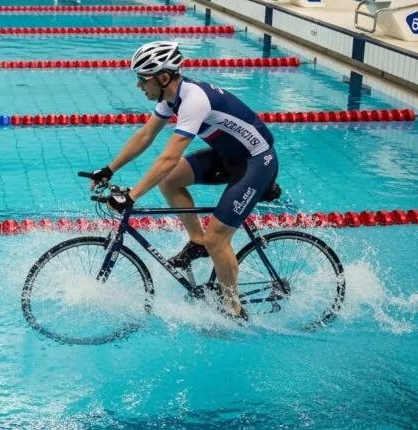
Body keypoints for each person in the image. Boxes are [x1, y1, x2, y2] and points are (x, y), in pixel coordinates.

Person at [87, 41, 280, 321]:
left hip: (256, 163)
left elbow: (168, 158)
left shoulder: (194, 100)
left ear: (163, 78)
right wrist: (109, 169)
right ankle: (196, 242)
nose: (139, 86)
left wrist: (132, 195)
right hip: (228, 157)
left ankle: (234, 310)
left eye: (143, 79)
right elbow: (146, 135)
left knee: (217, 239)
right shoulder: (170, 98)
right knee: (170, 181)